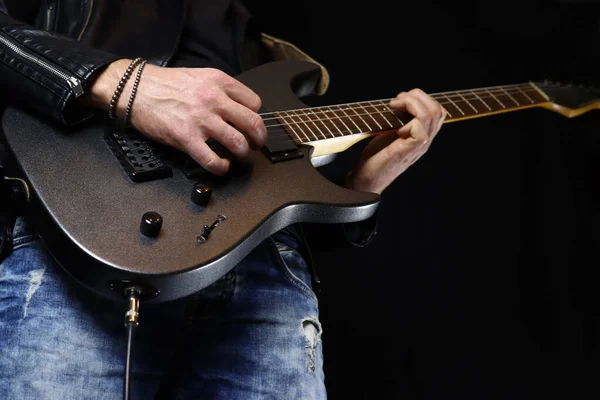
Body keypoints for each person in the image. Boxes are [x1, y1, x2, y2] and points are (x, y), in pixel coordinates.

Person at [0, 0, 445, 399]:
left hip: (268, 271)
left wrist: (361, 184)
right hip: (89, 241)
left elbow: (280, 198)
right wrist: (128, 84)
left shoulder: (257, 37)